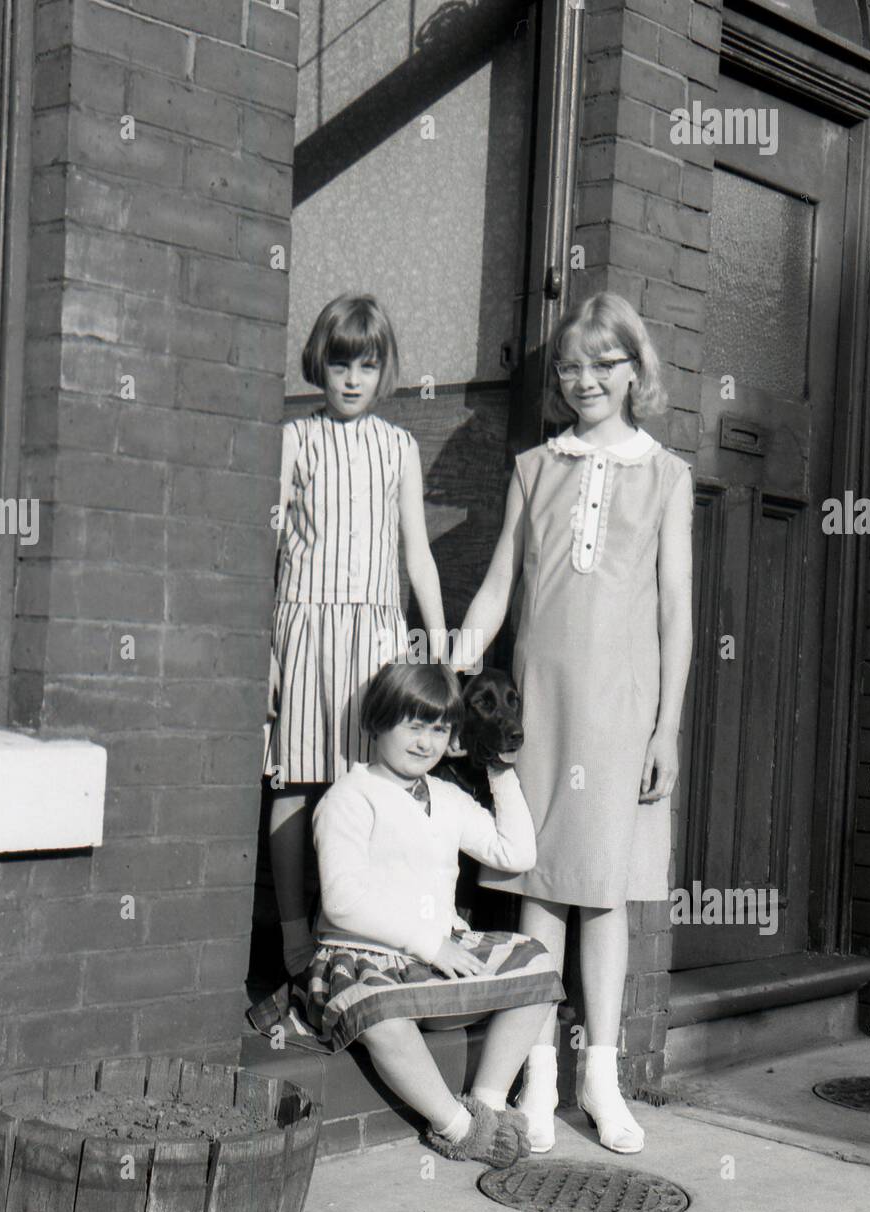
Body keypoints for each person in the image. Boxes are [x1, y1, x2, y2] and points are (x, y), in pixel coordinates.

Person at [455, 291, 694, 1154]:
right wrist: (458, 657)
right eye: (570, 365)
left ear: (636, 371)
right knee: (536, 886)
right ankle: (534, 1078)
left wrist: (665, 730)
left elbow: (675, 613)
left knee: (603, 896)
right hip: (536, 707)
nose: (584, 379)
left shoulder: (665, 475)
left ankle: (599, 1075)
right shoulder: (535, 466)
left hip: (620, 711)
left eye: (603, 364)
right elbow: (496, 586)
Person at [304, 661, 565, 1166]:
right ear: (376, 723)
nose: (427, 743)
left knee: (538, 963)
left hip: (433, 961)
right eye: (414, 726)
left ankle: (486, 1104)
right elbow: (342, 901)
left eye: (440, 729)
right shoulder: (350, 798)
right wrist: (429, 942)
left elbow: (516, 854)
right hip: (363, 958)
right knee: (382, 1020)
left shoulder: (447, 798)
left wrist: (498, 769)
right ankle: (457, 1125)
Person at [266, 294, 446, 980]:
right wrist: (265, 649)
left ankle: (352, 931)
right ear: (320, 363)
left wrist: (435, 643)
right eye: (339, 363)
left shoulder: (399, 446)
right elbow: (271, 548)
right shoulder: (295, 438)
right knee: (298, 781)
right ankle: (292, 936)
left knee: (371, 788)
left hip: (375, 636)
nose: (350, 379)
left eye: (365, 366)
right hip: (307, 627)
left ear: (382, 371)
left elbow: (416, 553)